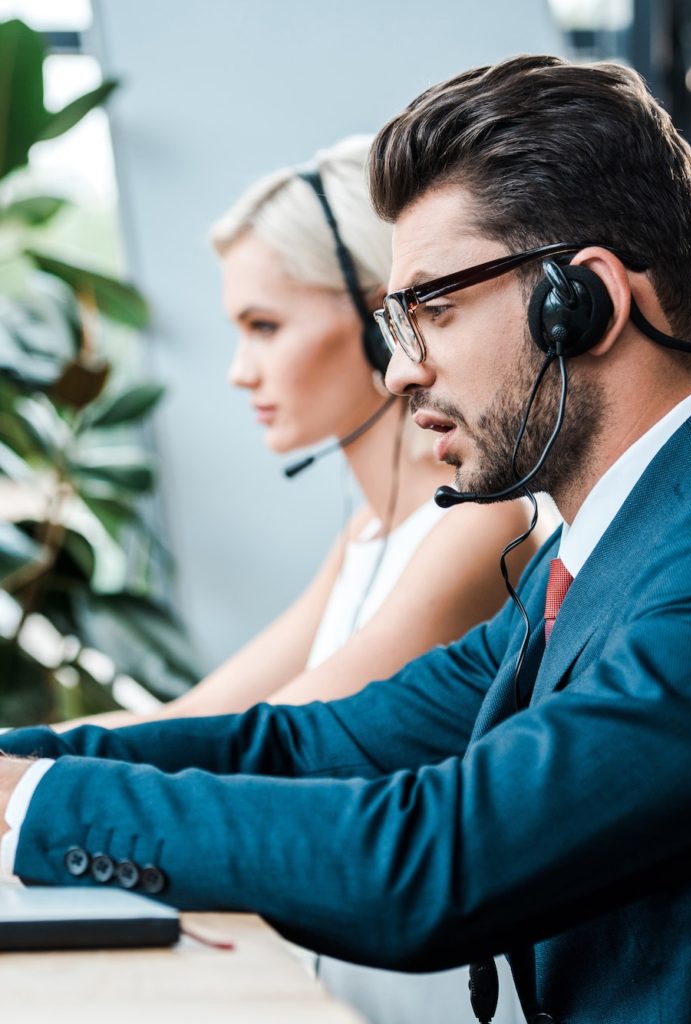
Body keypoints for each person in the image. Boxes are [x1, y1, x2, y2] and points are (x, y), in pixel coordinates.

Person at [2, 55, 691, 1024]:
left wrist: (37, 804)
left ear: (583, 302)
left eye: (431, 308)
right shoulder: (612, 546)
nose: (400, 372)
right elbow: (316, 746)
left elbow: (438, 863)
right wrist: (22, 766)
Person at [53, 134, 543, 1023]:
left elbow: (288, 744)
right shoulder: (366, 535)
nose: (242, 372)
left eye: (266, 327)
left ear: (374, 322)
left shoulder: (478, 528)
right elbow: (191, 725)